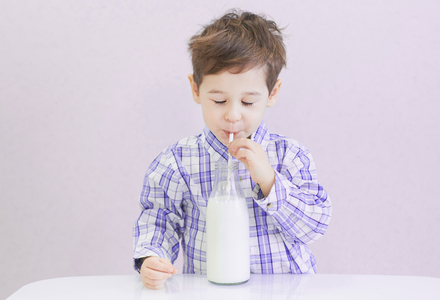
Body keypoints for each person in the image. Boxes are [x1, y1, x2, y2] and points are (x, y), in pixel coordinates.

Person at [133, 10, 332, 290]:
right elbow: (158, 218)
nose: (233, 115)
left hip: (286, 289)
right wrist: (151, 257)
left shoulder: (290, 155)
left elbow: (314, 226)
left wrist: (269, 181)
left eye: (248, 102)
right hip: (210, 289)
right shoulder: (176, 162)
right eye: (219, 100)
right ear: (196, 89)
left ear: (272, 93)